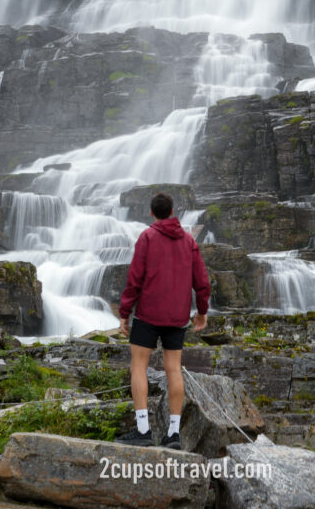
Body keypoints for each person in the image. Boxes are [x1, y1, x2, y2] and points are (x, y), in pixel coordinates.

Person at [115, 191, 211, 449]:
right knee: (173, 370)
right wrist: (202, 311)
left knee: (138, 367)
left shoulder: (147, 237)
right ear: (172, 212)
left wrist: (125, 313)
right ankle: (173, 434)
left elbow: (134, 279)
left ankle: (143, 430)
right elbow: (202, 282)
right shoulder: (189, 241)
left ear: (151, 213)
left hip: (147, 314)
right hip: (177, 317)